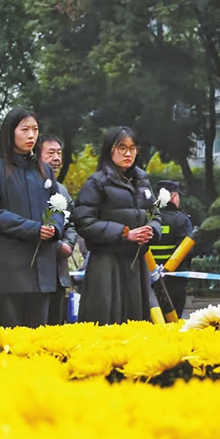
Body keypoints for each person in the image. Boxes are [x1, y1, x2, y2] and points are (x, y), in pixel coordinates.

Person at [0, 108, 64, 328]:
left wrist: (55, 228)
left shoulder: (44, 170)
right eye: (24, 129)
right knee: (12, 341)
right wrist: (32, 228)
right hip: (10, 271)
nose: (31, 135)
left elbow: (58, 208)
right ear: (10, 132)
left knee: (39, 340)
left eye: (35, 129)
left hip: (42, 270)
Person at [73, 126, 160, 324]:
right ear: (109, 149)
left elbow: (155, 215)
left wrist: (151, 230)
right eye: (122, 148)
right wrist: (124, 233)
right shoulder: (96, 182)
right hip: (106, 263)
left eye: (133, 148)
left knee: (136, 322)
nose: (128, 153)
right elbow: (83, 222)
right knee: (105, 320)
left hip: (136, 262)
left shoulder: (143, 181)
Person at [39, 135, 79, 324]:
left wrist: (68, 243)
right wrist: (56, 245)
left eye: (59, 153)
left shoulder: (62, 190)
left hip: (59, 272)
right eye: (51, 153)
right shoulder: (29, 187)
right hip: (35, 270)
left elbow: (72, 222)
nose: (56, 158)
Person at [152, 180, 194, 317]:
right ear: (174, 196)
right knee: (173, 319)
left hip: (148, 278)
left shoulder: (147, 218)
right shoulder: (181, 220)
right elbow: (188, 250)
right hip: (175, 279)